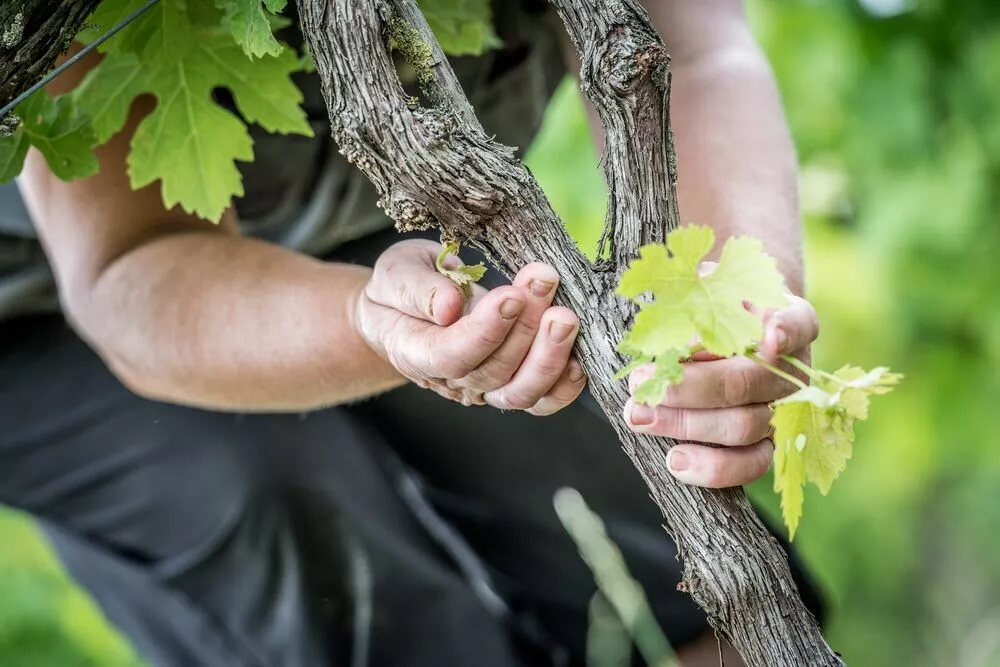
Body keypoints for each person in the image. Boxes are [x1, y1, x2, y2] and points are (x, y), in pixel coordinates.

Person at [0, 1, 824, 666]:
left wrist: (737, 306)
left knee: (628, 503)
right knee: (287, 515)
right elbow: (131, 269)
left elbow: (696, 48)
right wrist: (367, 324)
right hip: (44, 311)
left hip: (360, 216)